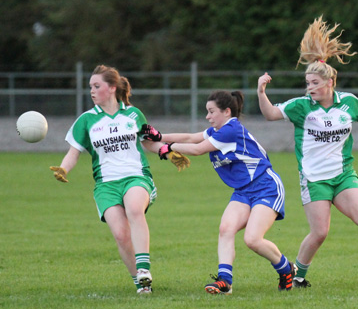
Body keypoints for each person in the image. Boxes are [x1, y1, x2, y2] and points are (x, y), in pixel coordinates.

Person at [257, 16, 358, 288]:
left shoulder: (348, 103)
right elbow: (270, 114)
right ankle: (298, 276)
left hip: (343, 176)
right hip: (314, 179)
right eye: (307, 83)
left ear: (329, 83)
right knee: (319, 233)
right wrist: (261, 91)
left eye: (314, 83)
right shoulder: (301, 106)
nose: (309, 87)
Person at [49, 65, 190, 294]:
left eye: (97, 86)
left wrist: (168, 151)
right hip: (106, 185)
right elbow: (74, 152)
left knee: (135, 209)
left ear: (112, 88)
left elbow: (148, 142)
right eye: (90, 87)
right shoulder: (86, 120)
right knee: (121, 235)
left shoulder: (133, 114)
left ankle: (144, 268)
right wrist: (64, 169)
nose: (92, 91)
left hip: (136, 176)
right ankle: (140, 283)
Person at [143, 90, 297, 294]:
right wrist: (160, 136)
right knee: (226, 228)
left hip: (265, 187)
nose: (207, 117)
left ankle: (286, 269)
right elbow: (191, 137)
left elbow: (198, 149)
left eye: (211, 111)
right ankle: (225, 281)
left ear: (226, 112)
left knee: (252, 239)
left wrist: (166, 148)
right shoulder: (218, 130)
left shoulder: (230, 130)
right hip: (243, 191)